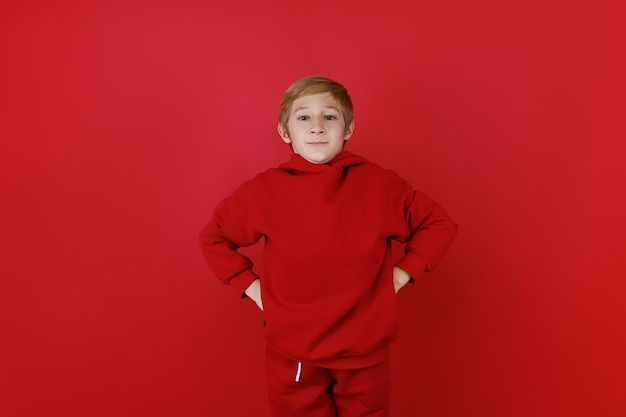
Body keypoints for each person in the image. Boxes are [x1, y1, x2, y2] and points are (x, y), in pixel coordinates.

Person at [199, 75, 458, 417]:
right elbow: (214, 238)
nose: (317, 127)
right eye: (304, 117)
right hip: (295, 353)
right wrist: (253, 289)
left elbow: (439, 225)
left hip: (365, 354)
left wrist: (400, 276)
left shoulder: (380, 185)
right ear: (285, 132)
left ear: (348, 129)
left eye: (330, 117)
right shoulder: (263, 192)